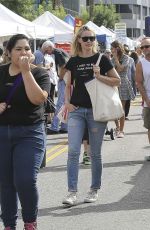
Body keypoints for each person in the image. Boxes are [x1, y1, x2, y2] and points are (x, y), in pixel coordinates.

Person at [62, 25, 120, 206]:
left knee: (95, 153)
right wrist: (67, 102)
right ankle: (72, 192)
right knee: (72, 151)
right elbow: (67, 82)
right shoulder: (73, 60)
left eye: (92, 38)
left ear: (95, 41)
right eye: (85, 38)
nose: (89, 41)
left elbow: (116, 80)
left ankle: (94, 189)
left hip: (96, 111)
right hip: (77, 110)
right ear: (79, 40)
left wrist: (99, 76)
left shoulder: (101, 59)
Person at [0, 34, 50, 230]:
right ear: (9, 52)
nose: (24, 53)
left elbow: (37, 99)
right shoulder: (1, 72)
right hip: (2, 133)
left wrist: (26, 72)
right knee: (6, 183)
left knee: (25, 180)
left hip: (30, 133)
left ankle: (30, 222)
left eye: (27, 49)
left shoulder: (40, 73)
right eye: (19, 49)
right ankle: (9, 225)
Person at [42, 40, 69, 134]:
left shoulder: (57, 52)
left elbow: (64, 66)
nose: (47, 53)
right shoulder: (60, 51)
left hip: (65, 79)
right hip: (68, 79)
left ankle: (54, 127)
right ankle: (65, 126)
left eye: (46, 51)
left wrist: (60, 78)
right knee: (65, 103)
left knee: (60, 103)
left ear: (50, 47)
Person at [111, 40, 135, 138]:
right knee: (114, 107)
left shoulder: (127, 58)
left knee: (121, 108)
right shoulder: (112, 59)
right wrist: (116, 63)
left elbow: (120, 69)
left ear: (117, 49)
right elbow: (111, 71)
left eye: (112, 48)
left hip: (124, 83)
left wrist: (116, 59)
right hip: (114, 83)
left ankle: (121, 130)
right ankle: (117, 127)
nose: (111, 50)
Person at [135, 37, 150, 160]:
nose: (144, 49)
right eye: (142, 47)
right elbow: (139, 83)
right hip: (148, 100)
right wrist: (147, 100)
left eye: (147, 46)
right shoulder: (141, 64)